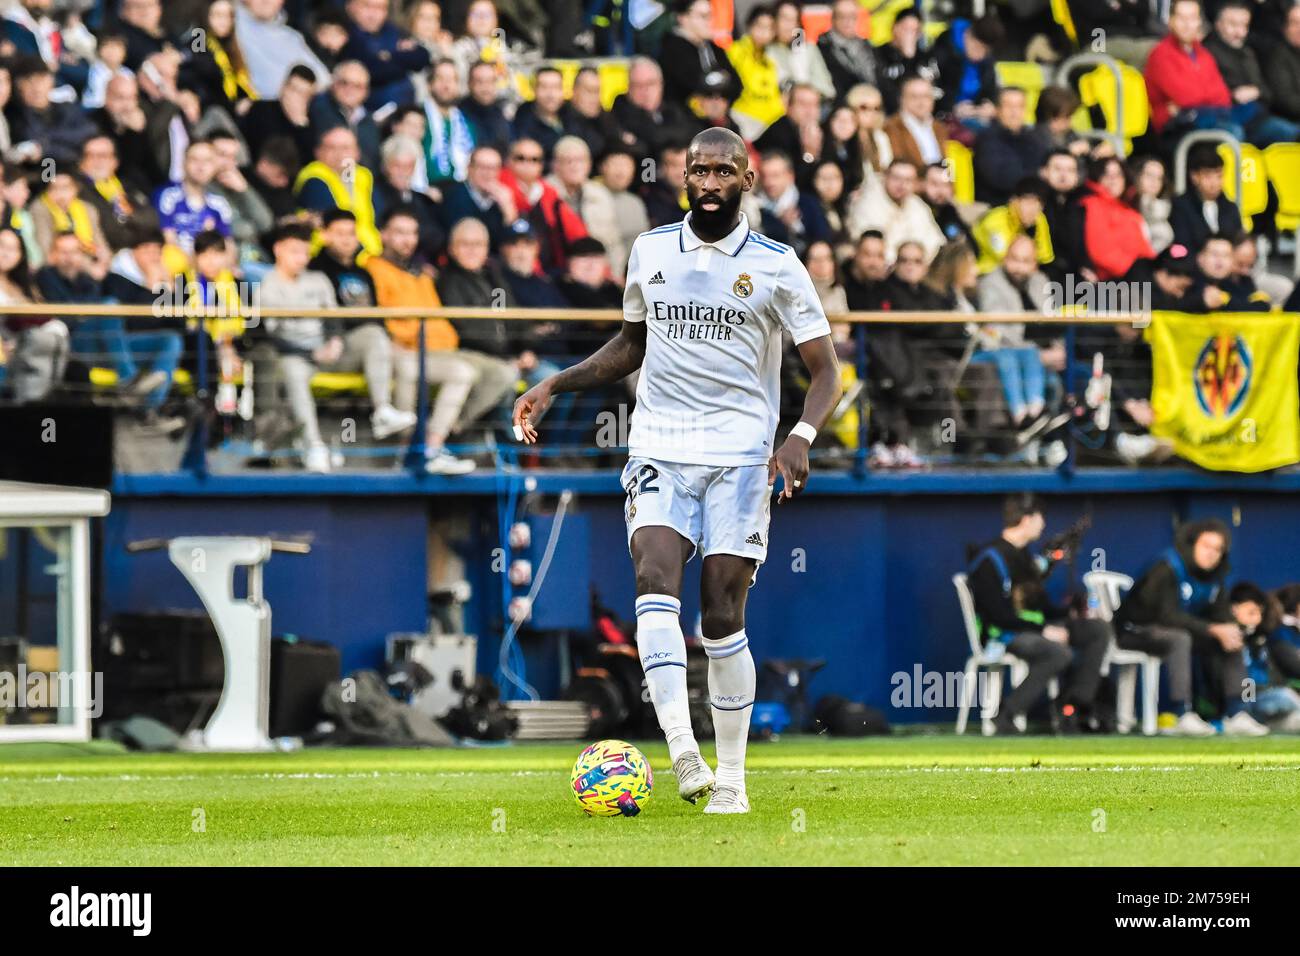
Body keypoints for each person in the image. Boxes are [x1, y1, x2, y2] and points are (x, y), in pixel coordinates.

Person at [512, 127, 842, 814]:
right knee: (652, 576)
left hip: (743, 456)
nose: (712, 183)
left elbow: (826, 370)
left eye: (726, 171)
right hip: (660, 443)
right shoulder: (651, 249)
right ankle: (683, 750)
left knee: (721, 612)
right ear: (683, 177)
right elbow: (630, 345)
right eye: (700, 170)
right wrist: (557, 383)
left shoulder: (778, 265)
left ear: (748, 181)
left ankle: (734, 778)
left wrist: (801, 435)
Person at [366, 206, 507, 474]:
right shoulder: (373, 269)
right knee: (461, 372)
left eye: (412, 233)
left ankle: (449, 431)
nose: (407, 239)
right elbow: (383, 321)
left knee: (502, 373)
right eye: (399, 233)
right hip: (409, 350)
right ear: (383, 235)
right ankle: (427, 448)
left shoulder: (422, 274)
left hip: (444, 348)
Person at [258, 219, 407, 472]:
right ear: (278, 250)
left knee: (373, 333)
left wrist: (335, 341)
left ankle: (382, 410)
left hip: (330, 351)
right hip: (297, 356)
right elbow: (270, 337)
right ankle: (313, 445)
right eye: (295, 251)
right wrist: (310, 352)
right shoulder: (266, 286)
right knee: (292, 371)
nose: (301, 258)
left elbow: (332, 316)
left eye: (305, 252)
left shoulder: (318, 279)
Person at [966, 494, 1111, 734]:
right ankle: (1006, 713)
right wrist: (1045, 630)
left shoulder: (1023, 556)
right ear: (1027, 519)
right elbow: (998, 616)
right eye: (1040, 518)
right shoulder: (989, 560)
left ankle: (1074, 705)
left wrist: (1071, 612)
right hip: (1005, 634)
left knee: (1097, 629)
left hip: (1033, 627)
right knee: (1059, 652)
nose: (1043, 524)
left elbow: (1040, 607)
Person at [1114, 519, 1270, 736]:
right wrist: (1212, 629)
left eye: (1218, 549)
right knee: (1181, 638)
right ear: (1192, 544)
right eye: (1206, 546)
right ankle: (1181, 714)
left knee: (1233, 636)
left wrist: (1226, 628)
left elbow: (1218, 614)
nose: (1211, 553)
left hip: (1183, 630)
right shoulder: (1167, 567)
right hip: (1136, 630)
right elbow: (1165, 616)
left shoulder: (1217, 576)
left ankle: (1238, 712)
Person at [1203, 0, 1300, 145]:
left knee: (1293, 132)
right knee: (1235, 133)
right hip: (1226, 118)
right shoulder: (1207, 51)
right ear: (1218, 23)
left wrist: (1256, 91)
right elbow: (1209, 95)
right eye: (1233, 24)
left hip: (1257, 119)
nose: (1239, 31)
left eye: (1244, 25)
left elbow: (1268, 93)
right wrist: (1234, 96)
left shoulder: (1247, 53)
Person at [1144, 0, 1240, 142]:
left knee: (1278, 130)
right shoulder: (1160, 54)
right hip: (1174, 128)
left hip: (1208, 117)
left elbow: (1224, 97)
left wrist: (1195, 100)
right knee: (1233, 131)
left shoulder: (1204, 54)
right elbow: (1185, 97)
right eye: (1181, 18)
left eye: (1192, 18)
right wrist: (1203, 98)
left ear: (1199, 22)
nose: (1187, 24)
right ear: (1170, 21)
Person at [0, 225, 65, 403]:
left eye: (13, 249)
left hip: (33, 349)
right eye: (1, 246)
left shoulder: (25, 286)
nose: (5, 253)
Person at [294, 126, 383, 256]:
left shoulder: (363, 176)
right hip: (330, 255)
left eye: (345, 148)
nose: (339, 154)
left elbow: (380, 215)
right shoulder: (314, 180)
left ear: (357, 153)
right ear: (318, 152)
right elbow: (336, 223)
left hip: (369, 253)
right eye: (331, 148)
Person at [846, 158, 945, 263]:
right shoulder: (867, 202)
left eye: (908, 180)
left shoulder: (917, 205)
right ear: (885, 177)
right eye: (896, 178)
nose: (902, 185)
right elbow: (871, 248)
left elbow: (935, 241)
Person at [1079, 155, 1155, 281]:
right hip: (1113, 282)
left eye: (1118, 175)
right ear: (1097, 178)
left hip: (1137, 277)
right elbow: (1101, 253)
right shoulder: (1092, 205)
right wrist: (1138, 273)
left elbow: (1145, 249)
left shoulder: (1129, 211)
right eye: (1106, 174)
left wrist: (1153, 270)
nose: (1113, 180)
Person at [974, 87, 1047, 206]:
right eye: (1008, 106)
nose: (1014, 112)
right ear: (997, 109)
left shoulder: (1034, 139)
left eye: (1020, 106)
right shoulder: (987, 139)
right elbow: (1000, 179)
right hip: (996, 207)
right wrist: (1038, 175)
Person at [1170, 145, 1244, 253]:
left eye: (1219, 176)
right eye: (1208, 176)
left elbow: (1239, 243)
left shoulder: (1230, 208)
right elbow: (1182, 246)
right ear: (1194, 176)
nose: (1214, 183)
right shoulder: (1181, 206)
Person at [973, 177, 1055, 274]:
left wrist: (1033, 231)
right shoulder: (994, 222)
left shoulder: (1038, 218)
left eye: (1039, 204)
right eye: (1029, 202)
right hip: (988, 273)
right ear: (1014, 200)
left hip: (1024, 273)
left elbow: (1045, 257)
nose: (1033, 209)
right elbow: (1009, 259)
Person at [884, 75, 948, 173]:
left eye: (926, 96)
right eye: (914, 97)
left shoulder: (940, 128)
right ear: (902, 100)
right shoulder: (892, 127)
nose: (921, 102)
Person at [817, 0, 877, 99]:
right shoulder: (823, 47)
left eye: (852, 16)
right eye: (842, 16)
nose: (848, 21)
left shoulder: (867, 46)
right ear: (833, 19)